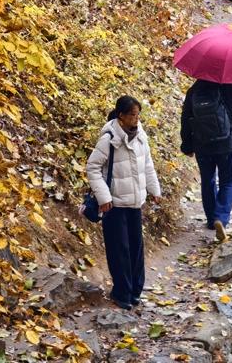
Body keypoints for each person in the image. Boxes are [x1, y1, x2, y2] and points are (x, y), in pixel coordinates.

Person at [87, 95, 161, 310]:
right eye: (132, 115)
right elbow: (92, 168)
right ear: (121, 116)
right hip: (114, 205)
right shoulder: (109, 139)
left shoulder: (141, 136)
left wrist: (154, 190)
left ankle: (135, 291)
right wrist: (104, 198)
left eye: (138, 115)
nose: (136, 119)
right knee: (119, 250)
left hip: (135, 202)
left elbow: (147, 164)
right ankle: (122, 293)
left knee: (136, 248)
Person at [180, 80, 232, 241]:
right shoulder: (226, 86)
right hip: (225, 144)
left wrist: (187, 146)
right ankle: (221, 218)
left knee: (208, 180)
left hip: (202, 146)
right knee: (227, 182)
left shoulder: (193, 91)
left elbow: (185, 120)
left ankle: (212, 221)